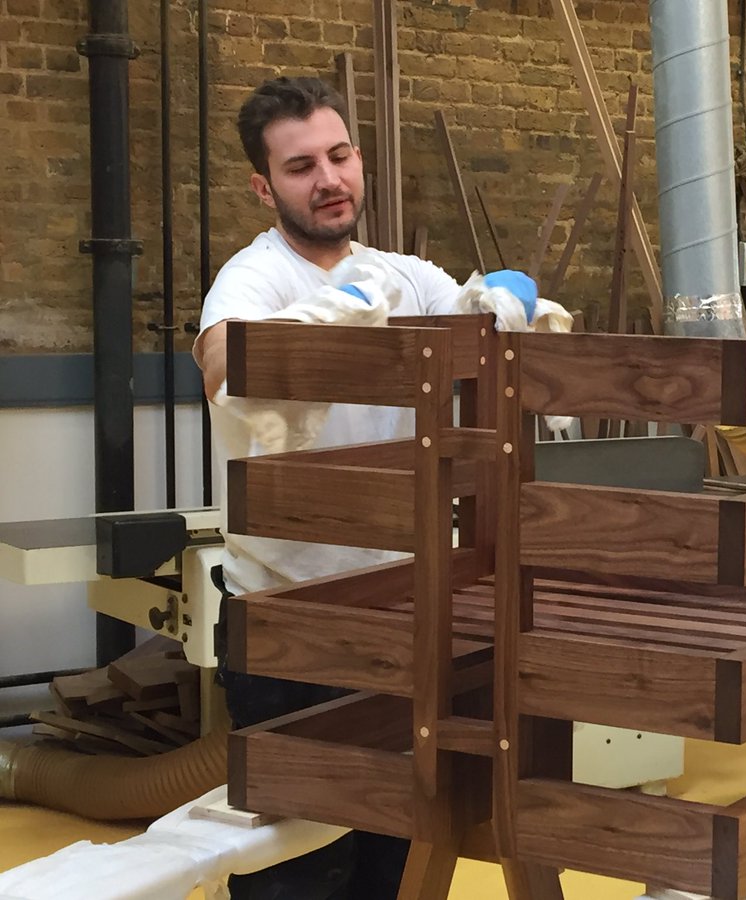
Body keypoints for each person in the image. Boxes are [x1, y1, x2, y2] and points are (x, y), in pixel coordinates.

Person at [193, 76, 538, 899]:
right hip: (290, 623)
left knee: (399, 854)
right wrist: (330, 320)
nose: (330, 179)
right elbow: (218, 363)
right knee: (295, 870)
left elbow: (468, 322)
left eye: (341, 156)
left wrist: (500, 302)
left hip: (398, 614)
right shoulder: (257, 280)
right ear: (264, 186)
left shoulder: (400, 275)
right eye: (302, 165)